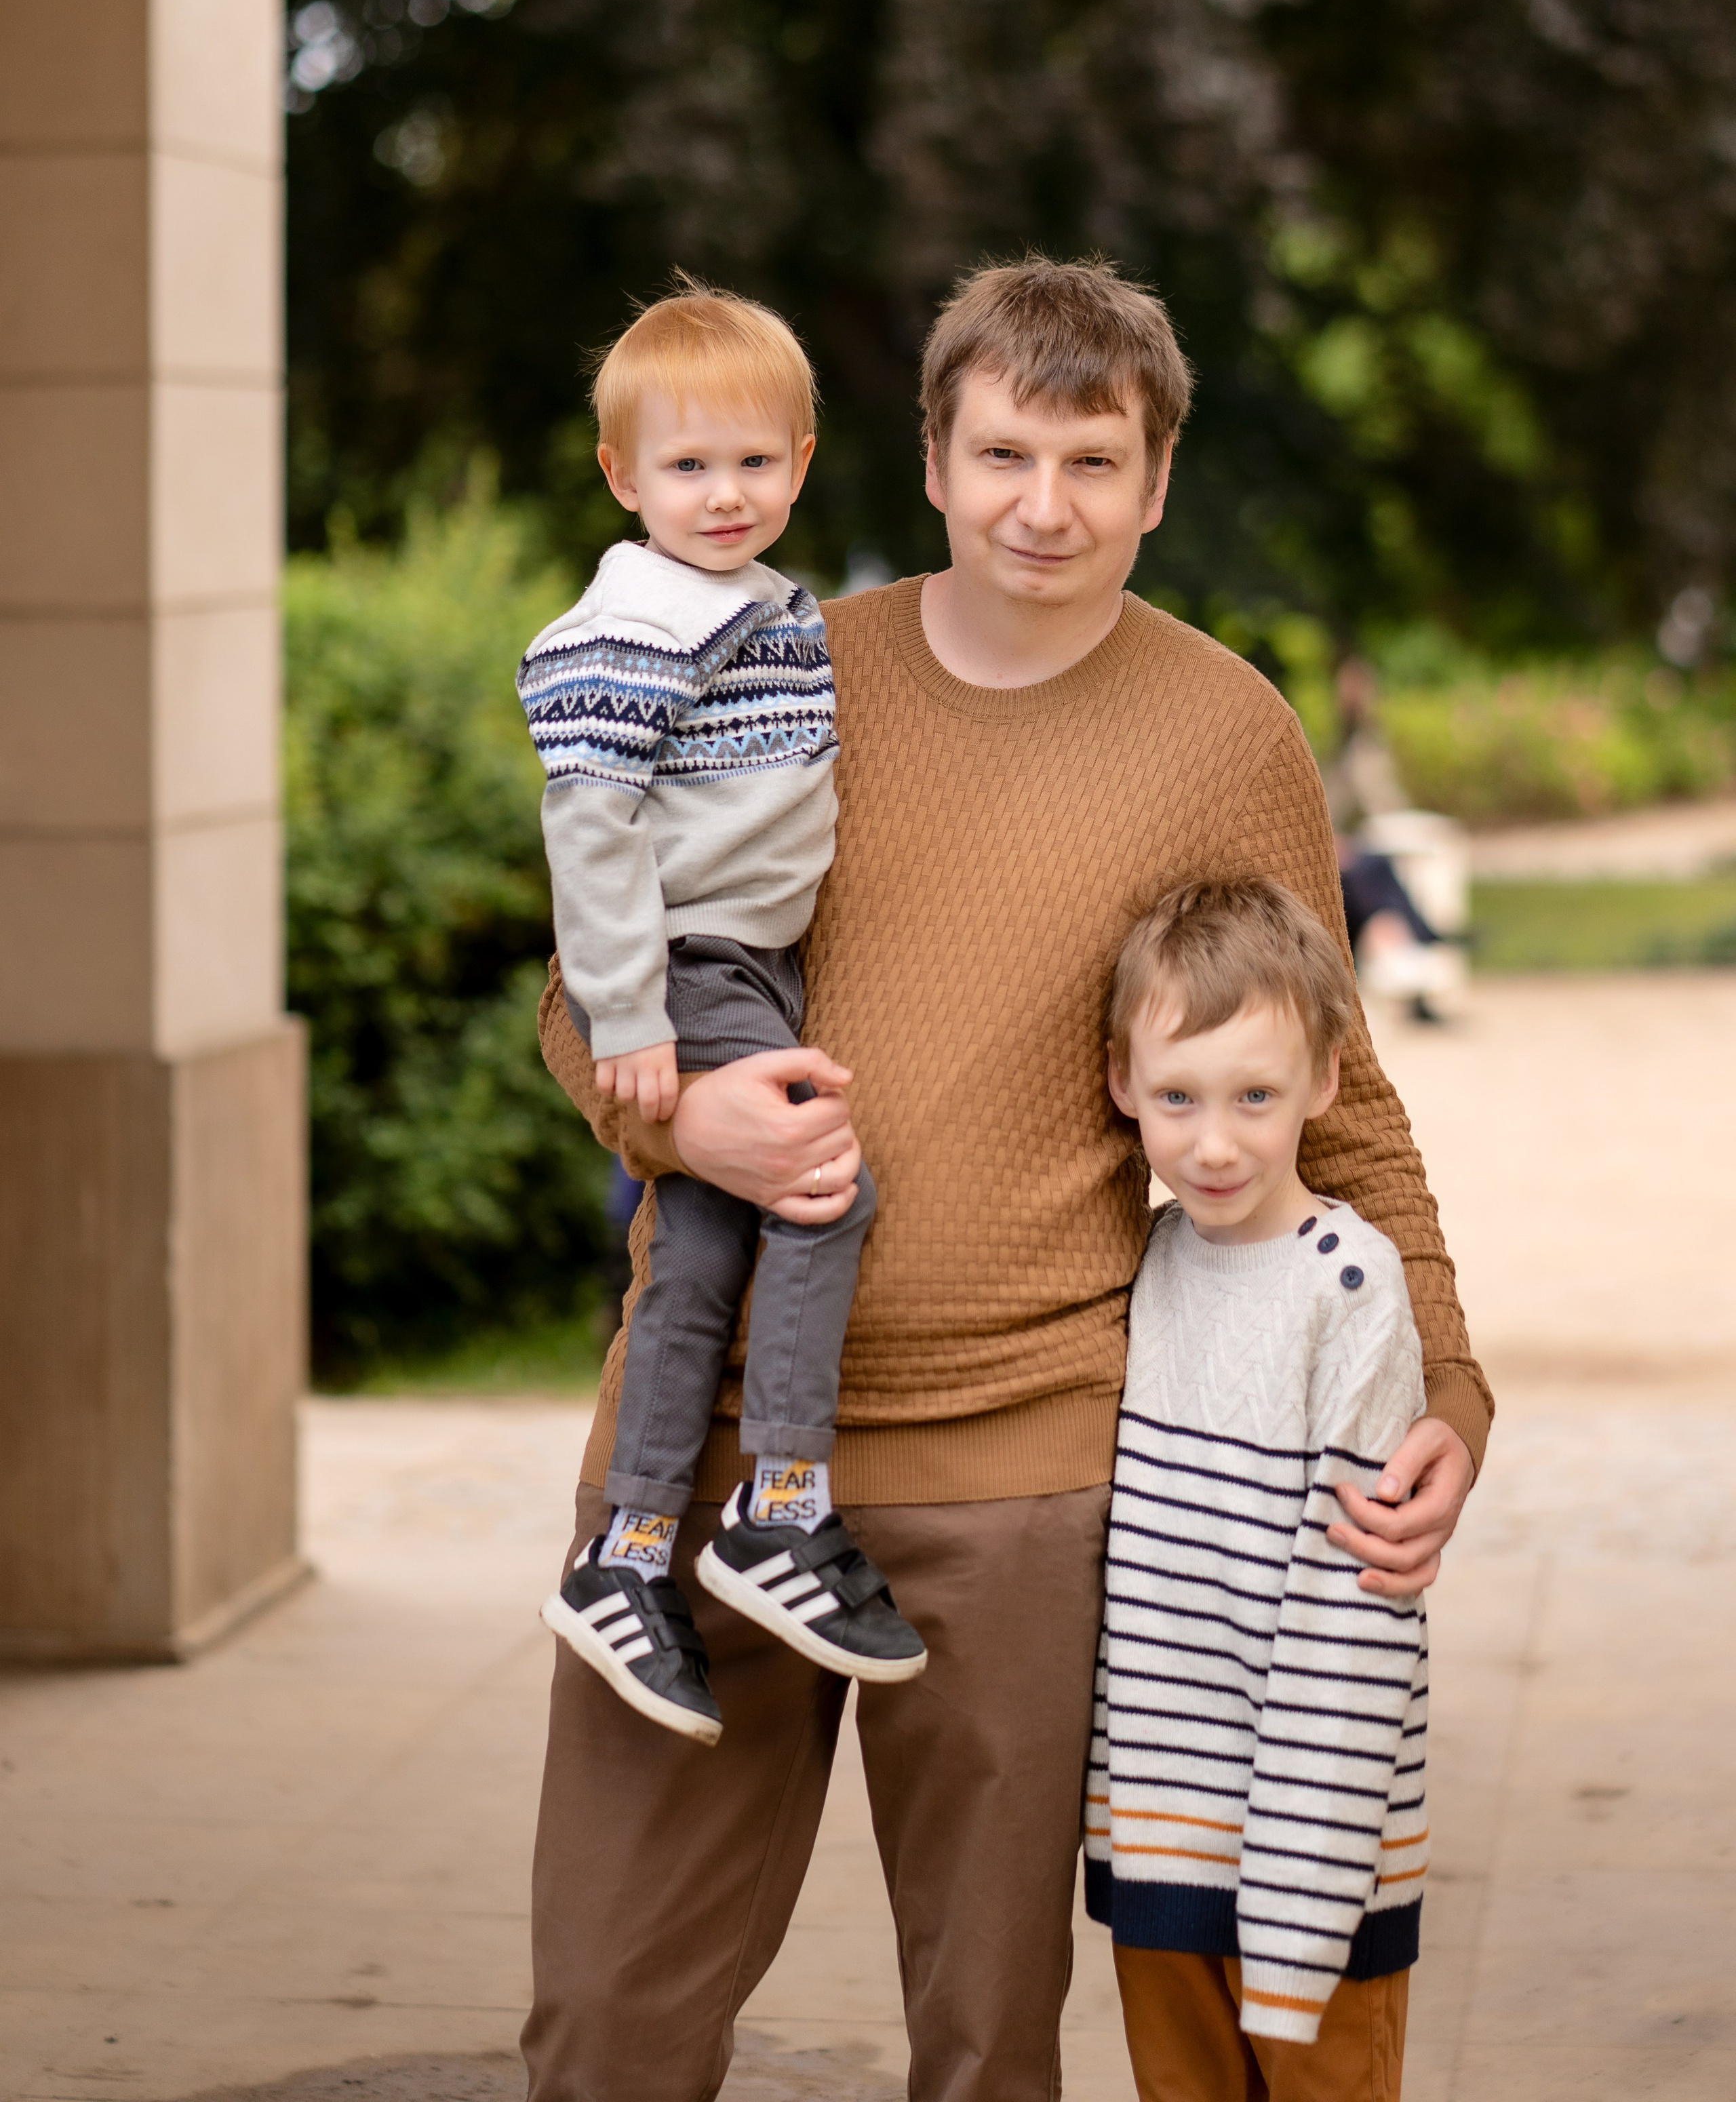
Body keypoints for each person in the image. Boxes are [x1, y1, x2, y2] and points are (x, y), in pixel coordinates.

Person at [521, 257, 1490, 2102]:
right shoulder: (772, 657)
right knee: (604, 2024)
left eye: (1092, 462)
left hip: (1027, 1469)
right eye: (1002, 456)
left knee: (986, 2044)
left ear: (1156, 481)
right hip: (702, 1448)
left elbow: (1343, 1106)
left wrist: (1444, 1384)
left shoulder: (1223, 733)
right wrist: (679, 1126)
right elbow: (587, 990)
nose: (1043, 506)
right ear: (932, 461)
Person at [516, 285, 926, 1745]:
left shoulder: (750, 603)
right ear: (622, 477)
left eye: (754, 462)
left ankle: (627, 1555)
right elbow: (589, 826)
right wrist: (630, 1016)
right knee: (821, 1186)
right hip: (690, 963)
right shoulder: (634, 623)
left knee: (693, 1254)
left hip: (743, 963)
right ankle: (781, 1506)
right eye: (687, 466)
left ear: (801, 463)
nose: (725, 493)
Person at [1090, 877, 1427, 2101]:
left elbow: (1356, 1618)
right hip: (1161, 1844)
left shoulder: (1350, 1288)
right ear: (1123, 1083)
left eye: (1255, 1097)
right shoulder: (1147, 1260)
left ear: (1323, 1084)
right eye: (1177, 1096)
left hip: (1317, 1873)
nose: (1214, 1144)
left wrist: (1293, 1930)